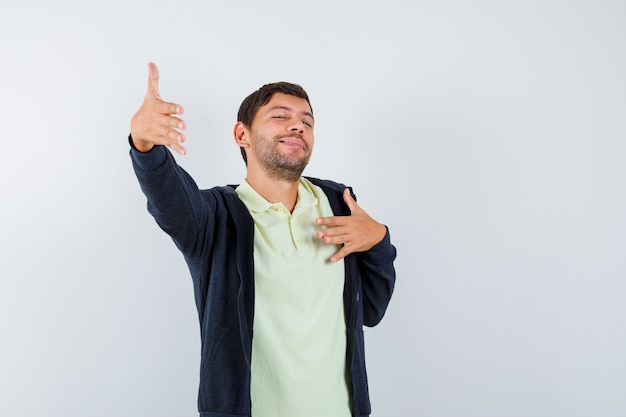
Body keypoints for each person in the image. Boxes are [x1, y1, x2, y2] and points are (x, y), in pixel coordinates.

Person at [129, 62, 397, 417]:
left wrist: (379, 242)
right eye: (280, 116)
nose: (298, 125)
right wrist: (145, 146)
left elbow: (371, 311)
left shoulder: (338, 204)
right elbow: (171, 201)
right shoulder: (215, 218)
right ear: (243, 135)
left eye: (307, 120)